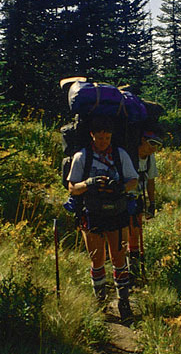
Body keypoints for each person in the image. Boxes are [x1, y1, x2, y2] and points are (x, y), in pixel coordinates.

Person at [67, 116, 138, 319]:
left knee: (118, 258)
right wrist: (89, 183)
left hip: (117, 212)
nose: (103, 142)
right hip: (92, 214)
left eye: (107, 138)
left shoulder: (120, 154)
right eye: (99, 138)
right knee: (97, 259)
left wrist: (120, 187)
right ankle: (100, 304)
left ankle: (123, 302)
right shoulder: (82, 157)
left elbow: (133, 180)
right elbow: (72, 187)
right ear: (92, 135)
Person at [128, 130, 162, 285]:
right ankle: (124, 270)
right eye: (152, 144)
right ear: (143, 140)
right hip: (123, 198)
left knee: (135, 234)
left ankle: (133, 271)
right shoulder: (128, 154)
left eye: (157, 146)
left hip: (138, 199)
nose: (153, 148)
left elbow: (151, 181)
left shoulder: (150, 159)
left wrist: (152, 204)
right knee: (123, 234)